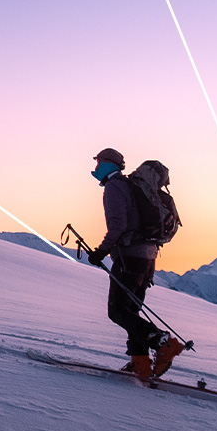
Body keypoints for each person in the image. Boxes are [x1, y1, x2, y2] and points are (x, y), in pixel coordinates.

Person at [86, 147, 184, 379]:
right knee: (131, 311)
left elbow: (118, 225)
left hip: (129, 258)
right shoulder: (131, 186)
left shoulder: (114, 187)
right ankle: (140, 363)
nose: (96, 167)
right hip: (147, 259)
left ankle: (163, 343)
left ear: (108, 164)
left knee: (118, 311)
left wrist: (102, 250)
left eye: (99, 163)